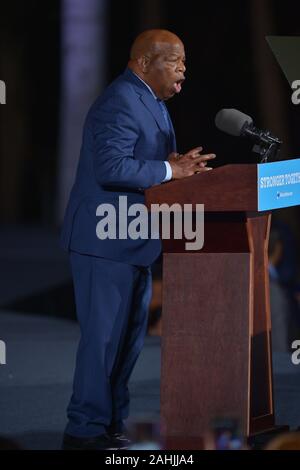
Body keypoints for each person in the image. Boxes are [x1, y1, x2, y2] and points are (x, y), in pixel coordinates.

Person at [60, 29, 216, 450]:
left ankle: (112, 422)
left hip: (133, 239)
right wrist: (170, 172)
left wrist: (171, 165)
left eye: (184, 61)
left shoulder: (151, 101)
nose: (183, 67)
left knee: (126, 343)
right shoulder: (121, 99)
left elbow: (140, 160)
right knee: (103, 342)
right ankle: (83, 432)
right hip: (103, 242)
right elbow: (112, 167)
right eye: (175, 60)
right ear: (145, 62)